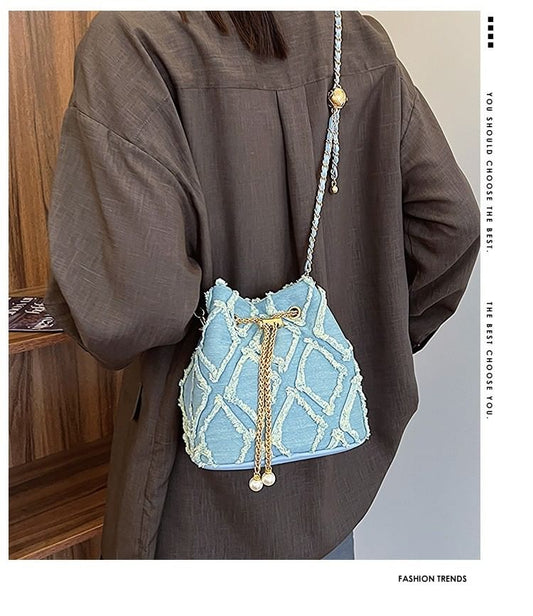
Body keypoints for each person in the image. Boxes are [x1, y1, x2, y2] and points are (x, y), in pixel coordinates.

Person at [44, 11, 480, 559]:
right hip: (330, 474)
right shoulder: (354, 38)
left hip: (200, 496)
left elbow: (131, 306)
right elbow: (451, 223)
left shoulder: (136, 41)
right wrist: (372, 340)